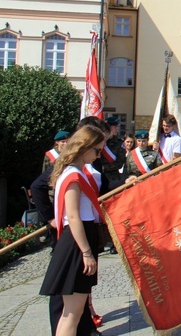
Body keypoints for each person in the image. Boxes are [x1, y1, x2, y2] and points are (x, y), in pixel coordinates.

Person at [39, 125, 107, 336]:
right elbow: (74, 217)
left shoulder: (72, 172)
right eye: (97, 150)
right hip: (78, 243)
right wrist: (87, 252)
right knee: (73, 314)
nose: (98, 156)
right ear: (84, 147)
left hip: (77, 240)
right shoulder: (74, 176)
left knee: (71, 313)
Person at [101, 117, 126, 186]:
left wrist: (104, 168)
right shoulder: (100, 142)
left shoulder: (119, 142)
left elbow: (120, 163)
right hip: (99, 176)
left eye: (117, 126)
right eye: (115, 126)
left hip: (113, 178)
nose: (117, 128)